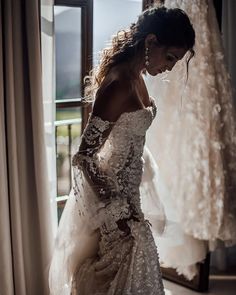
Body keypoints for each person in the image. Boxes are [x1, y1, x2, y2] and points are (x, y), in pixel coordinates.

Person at [48, 5, 195, 295]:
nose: (171, 67)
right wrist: (116, 212)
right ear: (150, 42)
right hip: (115, 209)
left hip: (131, 200)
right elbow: (84, 157)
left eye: (176, 60)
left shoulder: (136, 77)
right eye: (170, 57)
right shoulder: (119, 85)